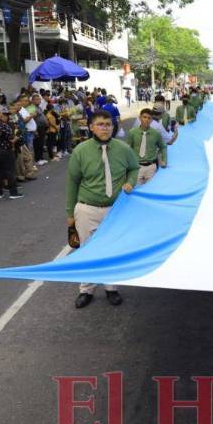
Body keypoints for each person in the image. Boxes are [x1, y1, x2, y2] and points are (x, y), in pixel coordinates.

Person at [66, 110, 140, 308]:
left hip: (115, 210)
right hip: (87, 209)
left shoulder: (123, 149)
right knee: (87, 251)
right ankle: (86, 290)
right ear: (91, 127)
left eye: (108, 124)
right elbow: (73, 182)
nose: (105, 128)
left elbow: (134, 168)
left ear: (113, 127)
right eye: (100, 124)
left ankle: (111, 288)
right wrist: (70, 214)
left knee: (112, 248)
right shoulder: (80, 151)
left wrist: (131, 182)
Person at [127, 108, 166, 185]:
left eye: (149, 118)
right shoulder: (132, 132)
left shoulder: (156, 133)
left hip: (151, 167)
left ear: (151, 120)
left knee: (151, 188)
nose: (146, 120)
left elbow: (163, 147)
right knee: (136, 188)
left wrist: (164, 160)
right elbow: (127, 149)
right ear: (140, 118)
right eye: (144, 117)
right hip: (137, 167)